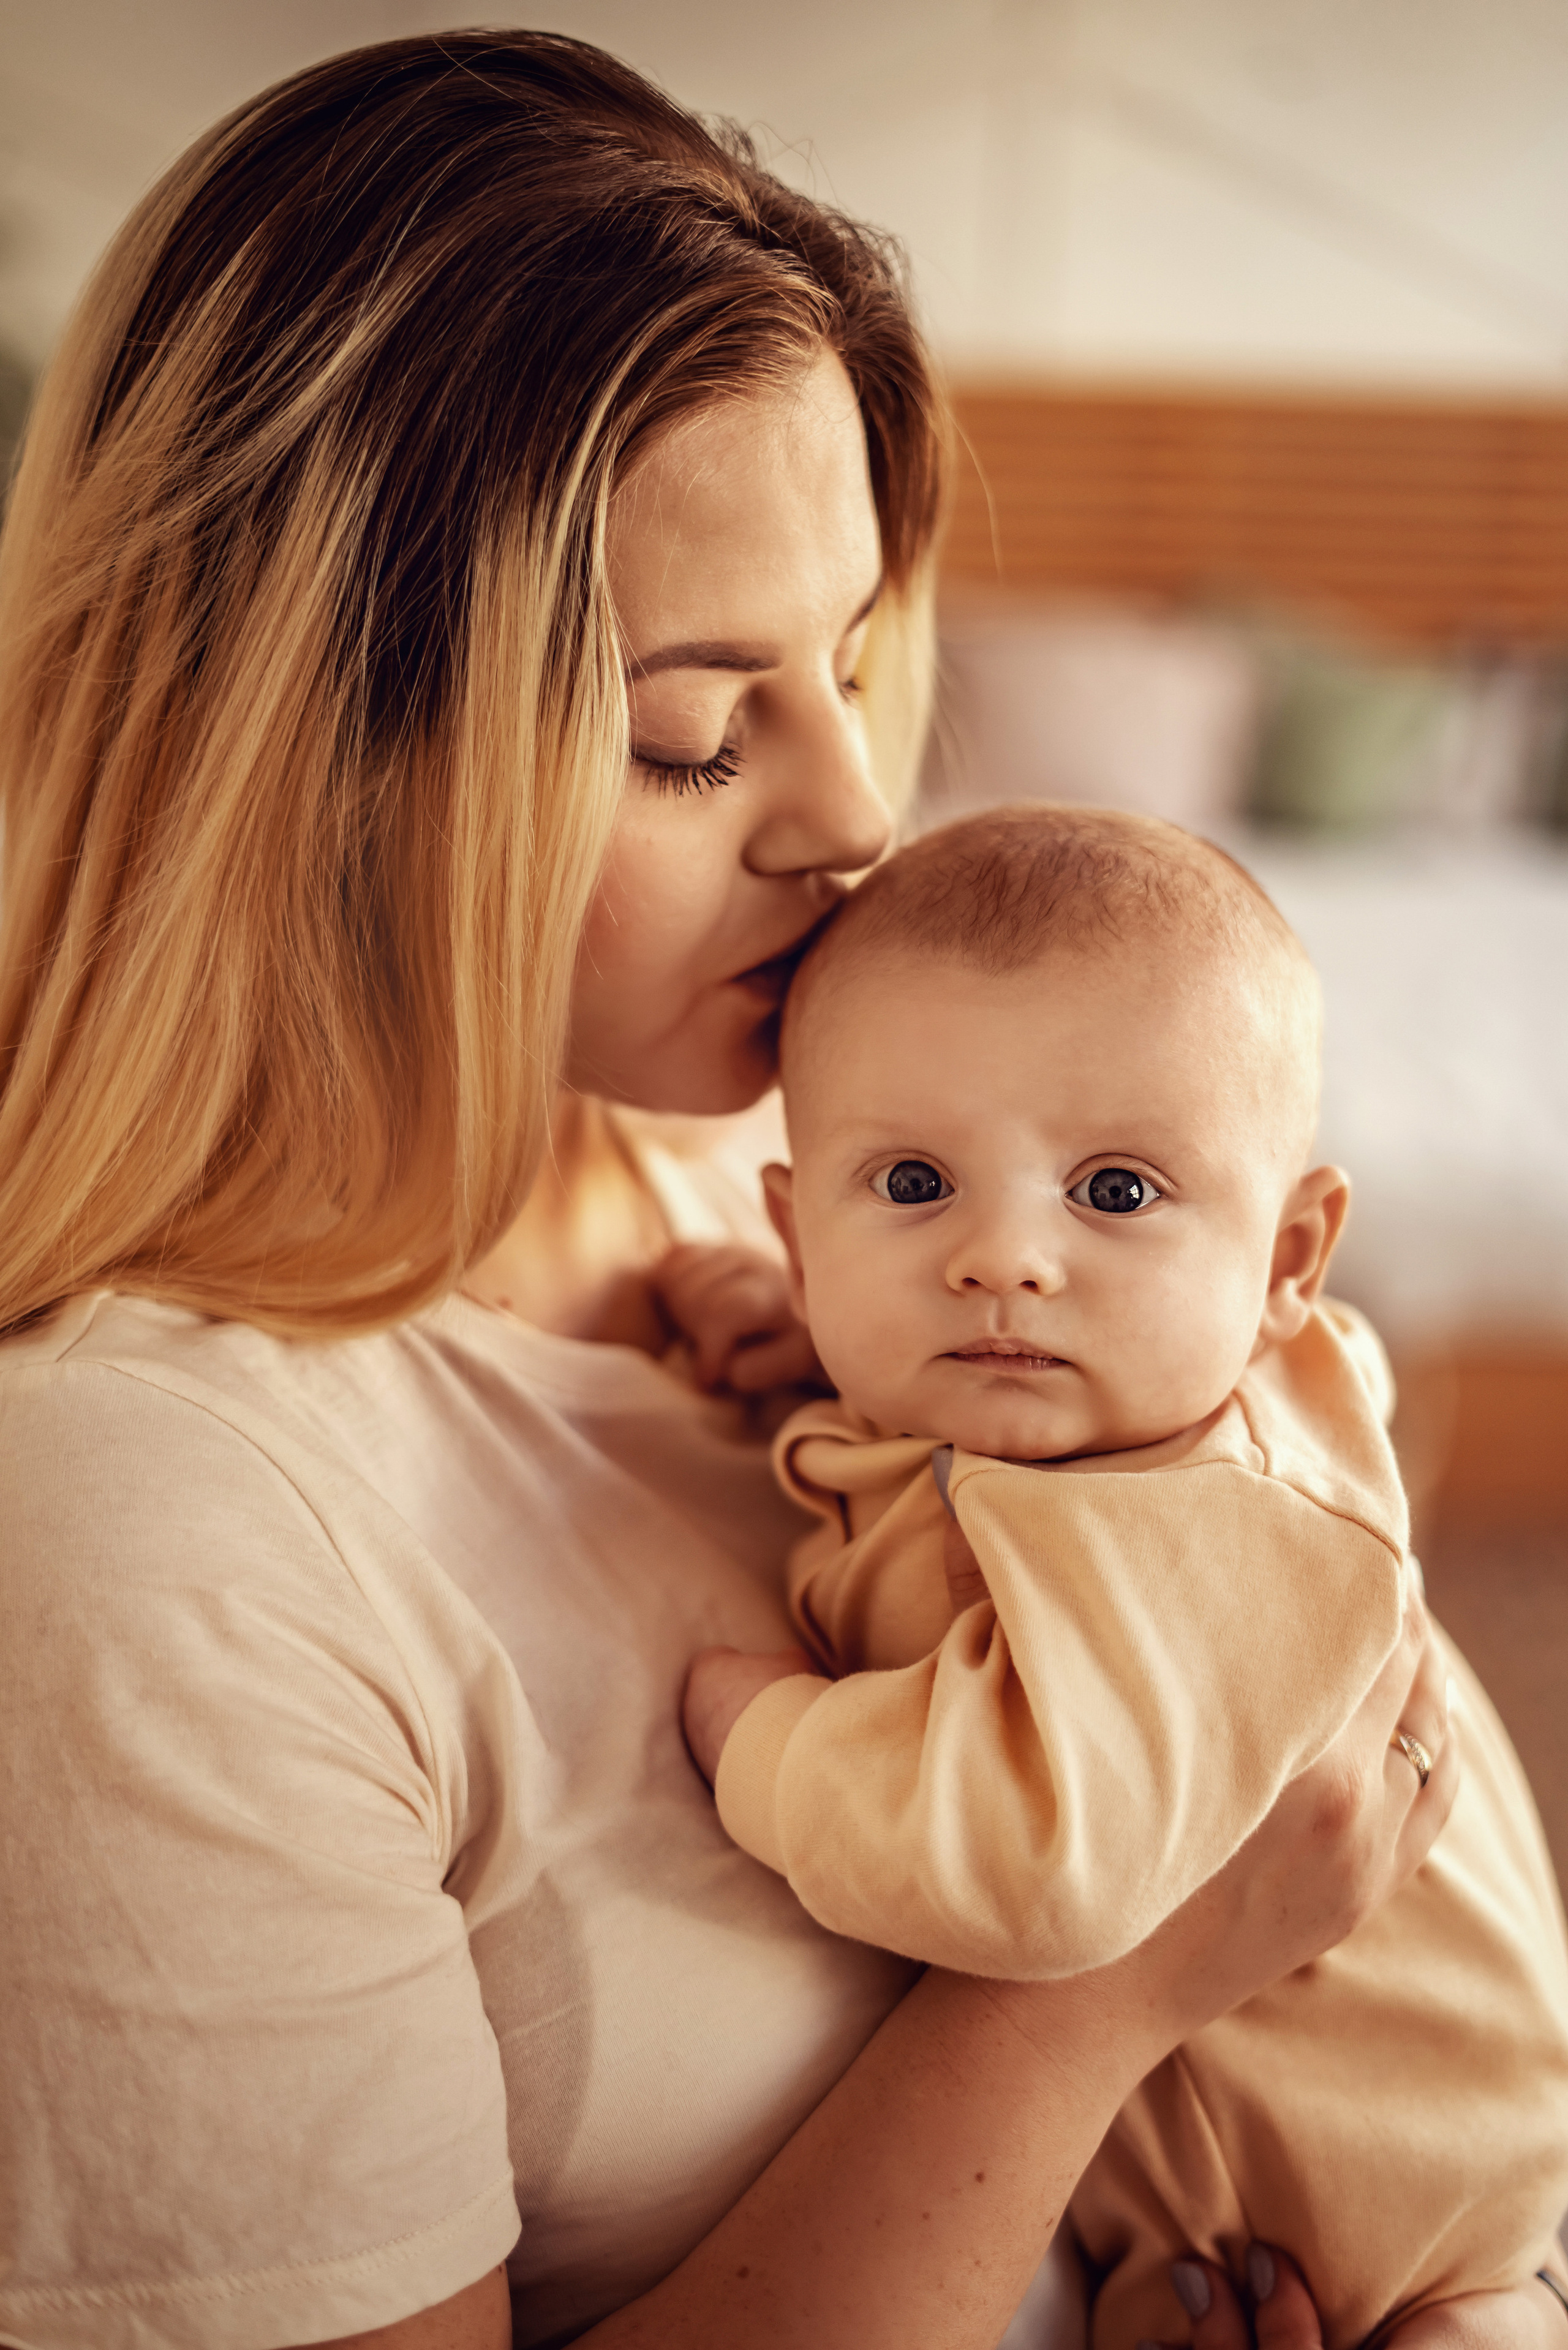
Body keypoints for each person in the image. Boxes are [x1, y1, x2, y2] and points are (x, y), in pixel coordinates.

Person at [0, 29, 1547, 2350]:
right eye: (692, 731)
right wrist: (1105, 1989)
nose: (858, 818)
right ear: (314, 760)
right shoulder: (158, 1522)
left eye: (850, 662)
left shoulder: (797, 1143)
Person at [665, 805, 1568, 2347]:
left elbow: (1031, 1866)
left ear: (1288, 1262)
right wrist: (809, 1340)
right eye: (906, 1187)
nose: (1002, 1258)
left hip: (1432, 2233)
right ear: (797, 1231)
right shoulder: (1080, 1403)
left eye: (1116, 1193)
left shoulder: (1192, 1510)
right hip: (1224, 2222)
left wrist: (766, 1742)